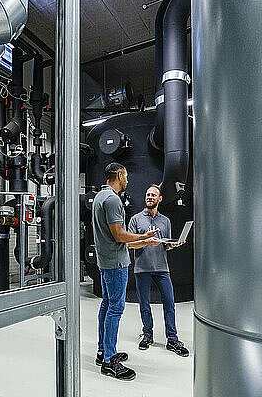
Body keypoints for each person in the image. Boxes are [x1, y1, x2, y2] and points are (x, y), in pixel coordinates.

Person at [92, 162, 159, 381]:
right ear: (119, 175)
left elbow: (117, 240)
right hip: (115, 265)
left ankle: (103, 352)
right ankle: (110, 360)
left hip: (106, 261)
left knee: (107, 304)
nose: (128, 180)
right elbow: (120, 236)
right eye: (126, 176)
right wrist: (143, 237)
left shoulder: (100, 197)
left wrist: (143, 243)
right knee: (116, 308)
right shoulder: (112, 200)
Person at [127, 184, 190, 357]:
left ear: (159, 199)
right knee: (144, 304)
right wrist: (146, 241)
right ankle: (147, 334)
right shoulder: (135, 219)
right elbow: (130, 244)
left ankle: (172, 339)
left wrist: (173, 245)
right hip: (142, 268)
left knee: (169, 303)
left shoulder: (165, 221)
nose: (149, 197)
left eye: (153, 195)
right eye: (147, 194)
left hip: (162, 268)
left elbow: (164, 246)